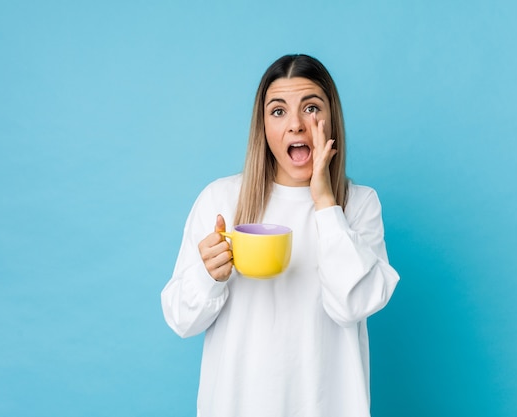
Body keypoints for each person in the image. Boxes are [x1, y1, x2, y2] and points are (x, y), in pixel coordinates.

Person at [161, 54, 400, 417]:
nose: (296, 125)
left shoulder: (359, 205)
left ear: (331, 117)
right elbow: (180, 319)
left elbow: (351, 305)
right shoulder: (221, 199)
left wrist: (324, 202)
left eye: (311, 108)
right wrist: (208, 277)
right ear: (262, 126)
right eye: (278, 111)